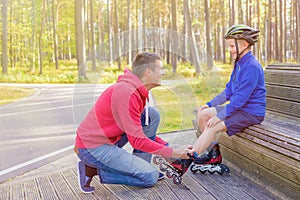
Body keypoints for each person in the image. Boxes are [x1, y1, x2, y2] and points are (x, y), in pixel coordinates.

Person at [74, 52, 193, 193]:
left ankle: (140, 166)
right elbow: (137, 141)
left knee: (151, 115)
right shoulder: (127, 93)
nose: (163, 73)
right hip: (93, 147)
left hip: (110, 139)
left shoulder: (137, 91)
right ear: (148, 72)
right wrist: (171, 152)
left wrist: (170, 147)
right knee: (150, 177)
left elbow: (139, 132)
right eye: (160, 69)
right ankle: (90, 170)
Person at [192, 24, 266, 164]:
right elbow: (229, 91)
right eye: (229, 46)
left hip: (251, 113)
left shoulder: (252, 66)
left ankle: (187, 158)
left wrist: (220, 116)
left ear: (244, 44)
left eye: (232, 46)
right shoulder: (239, 64)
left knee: (213, 125)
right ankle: (213, 154)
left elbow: (240, 99)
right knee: (203, 114)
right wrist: (209, 105)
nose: (230, 50)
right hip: (239, 108)